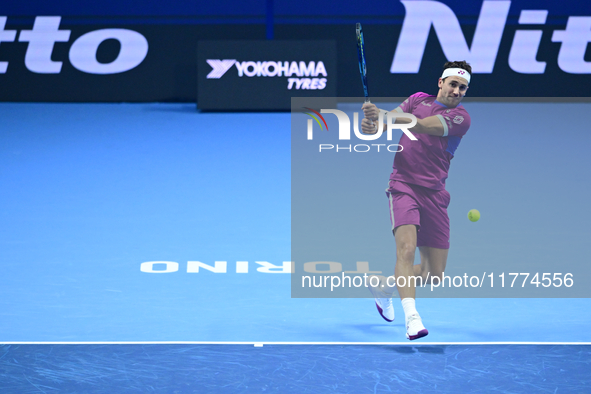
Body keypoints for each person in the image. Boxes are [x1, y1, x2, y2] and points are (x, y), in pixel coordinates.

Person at [361, 61, 472, 340]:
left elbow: (421, 125)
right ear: (440, 82)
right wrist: (373, 122)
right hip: (403, 185)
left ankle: (384, 286)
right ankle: (412, 318)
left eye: (463, 87)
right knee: (406, 249)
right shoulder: (416, 99)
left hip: (434, 193)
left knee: (435, 274)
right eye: (453, 84)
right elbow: (383, 127)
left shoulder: (461, 118)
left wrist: (384, 114)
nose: (457, 91)